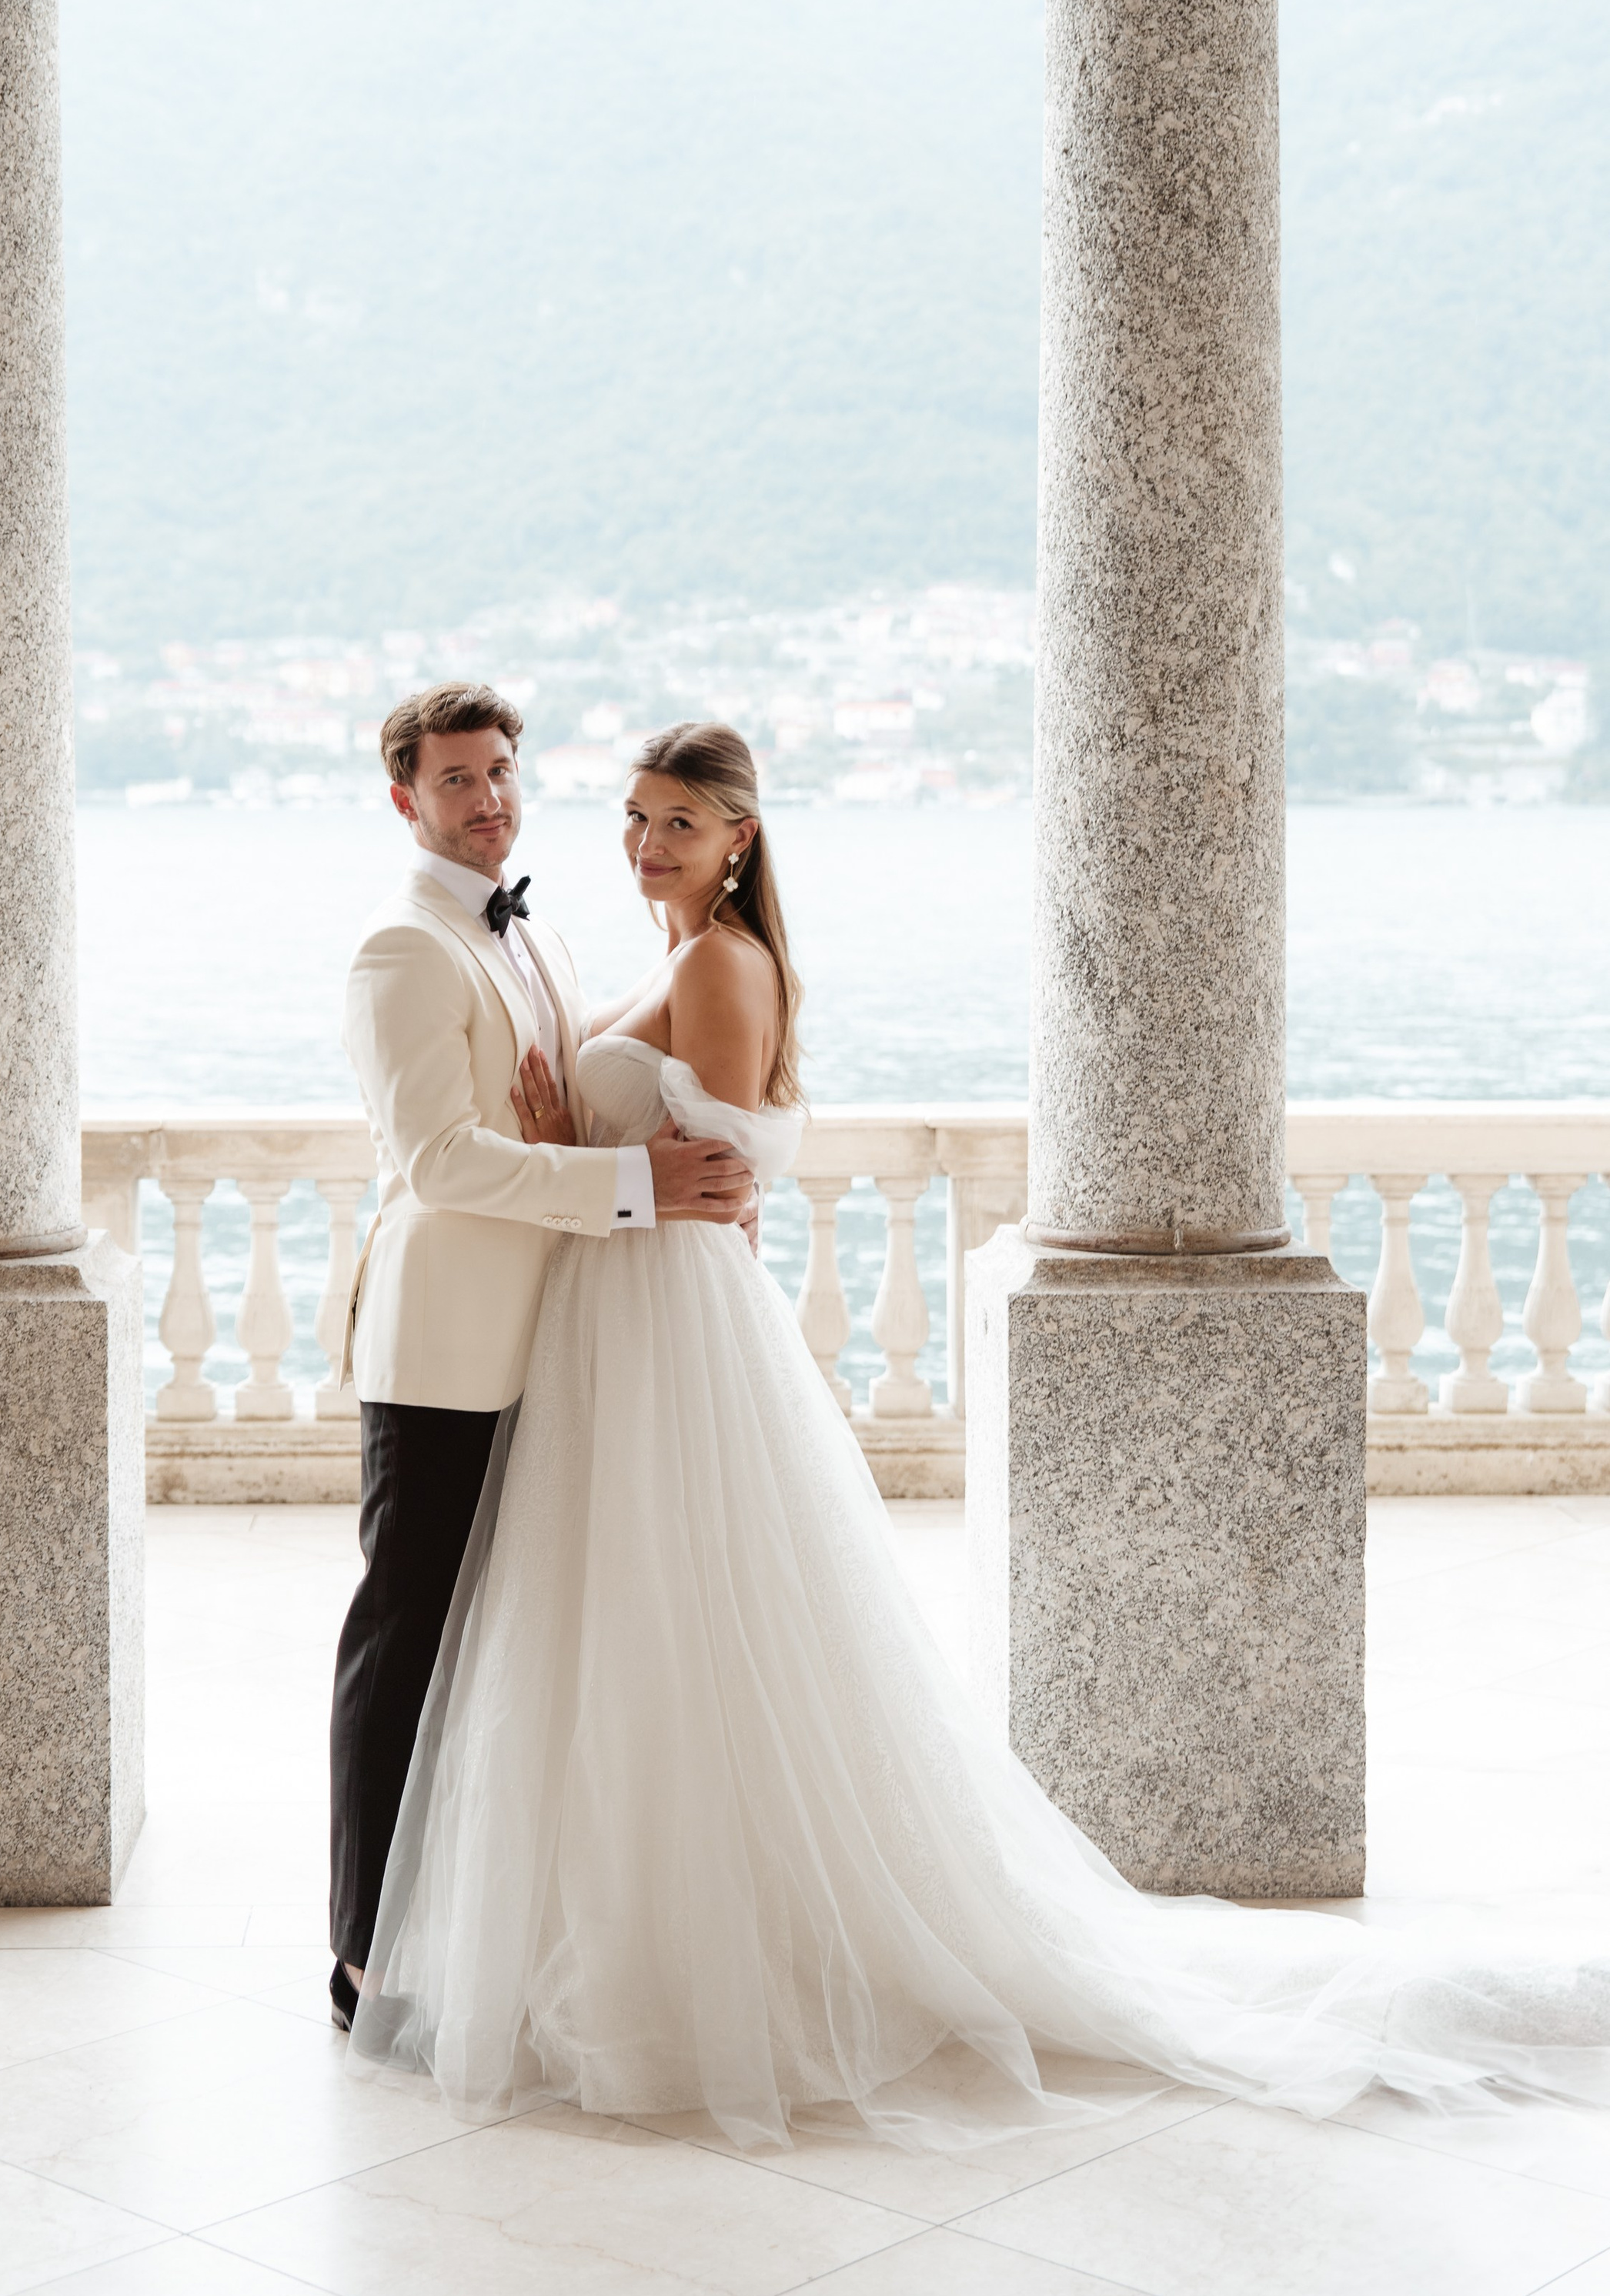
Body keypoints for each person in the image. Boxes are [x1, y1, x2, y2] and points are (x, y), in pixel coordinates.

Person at [348, 719, 1610, 2149]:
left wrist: (647, 1167)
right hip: (611, 1305)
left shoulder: (714, 962)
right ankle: (598, 1923)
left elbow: (718, 1161)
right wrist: (608, 1149)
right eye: (635, 817)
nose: (646, 843)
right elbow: (650, 1140)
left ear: (739, 839)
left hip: (660, 1309)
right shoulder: (627, 949)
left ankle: (686, 1950)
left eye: (679, 823)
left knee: (673, 1617)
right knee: (627, 1622)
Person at [328, 684, 754, 2033]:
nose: (488, 800)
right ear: (406, 799)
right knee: (405, 1638)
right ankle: (362, 1957)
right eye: (456, 780)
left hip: (561, 1342)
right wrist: (637, 1184)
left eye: (501, 772)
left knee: (502, 1648)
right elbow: (441, 1162)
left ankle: (475, 1930)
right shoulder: (401, 949)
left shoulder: (541, 936)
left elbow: (568, 1111)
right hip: (447, 1347)